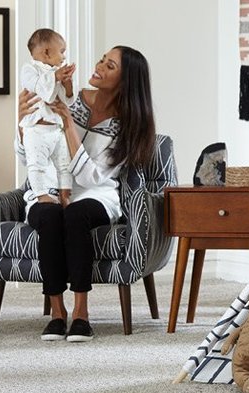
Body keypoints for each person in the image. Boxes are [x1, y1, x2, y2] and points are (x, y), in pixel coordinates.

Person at [15, 45, 156, 343]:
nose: (99, 66)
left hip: (97, 196)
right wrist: (22, 124)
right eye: (102, 60)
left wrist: (68, 125)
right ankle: (57, 313)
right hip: (48, 191)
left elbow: (92, 176)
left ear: (126, 80)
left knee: (76, 214)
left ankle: (81, 313)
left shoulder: (128, 124)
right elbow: (30, 157)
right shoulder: (66, 96)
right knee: (51, 214)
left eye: (110, 66)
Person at [19, 28, 77, 211]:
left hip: (56, 130)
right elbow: (41, 89)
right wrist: (55, 77)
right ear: (46, 52)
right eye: (62, 51)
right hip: (36, 131)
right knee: (36, 165)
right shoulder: (29, 70)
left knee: (65, 165)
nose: (64, 57)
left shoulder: (55, 72)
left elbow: (65, 100)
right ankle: (41, 194)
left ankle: (65, 195)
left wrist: (67, 85)